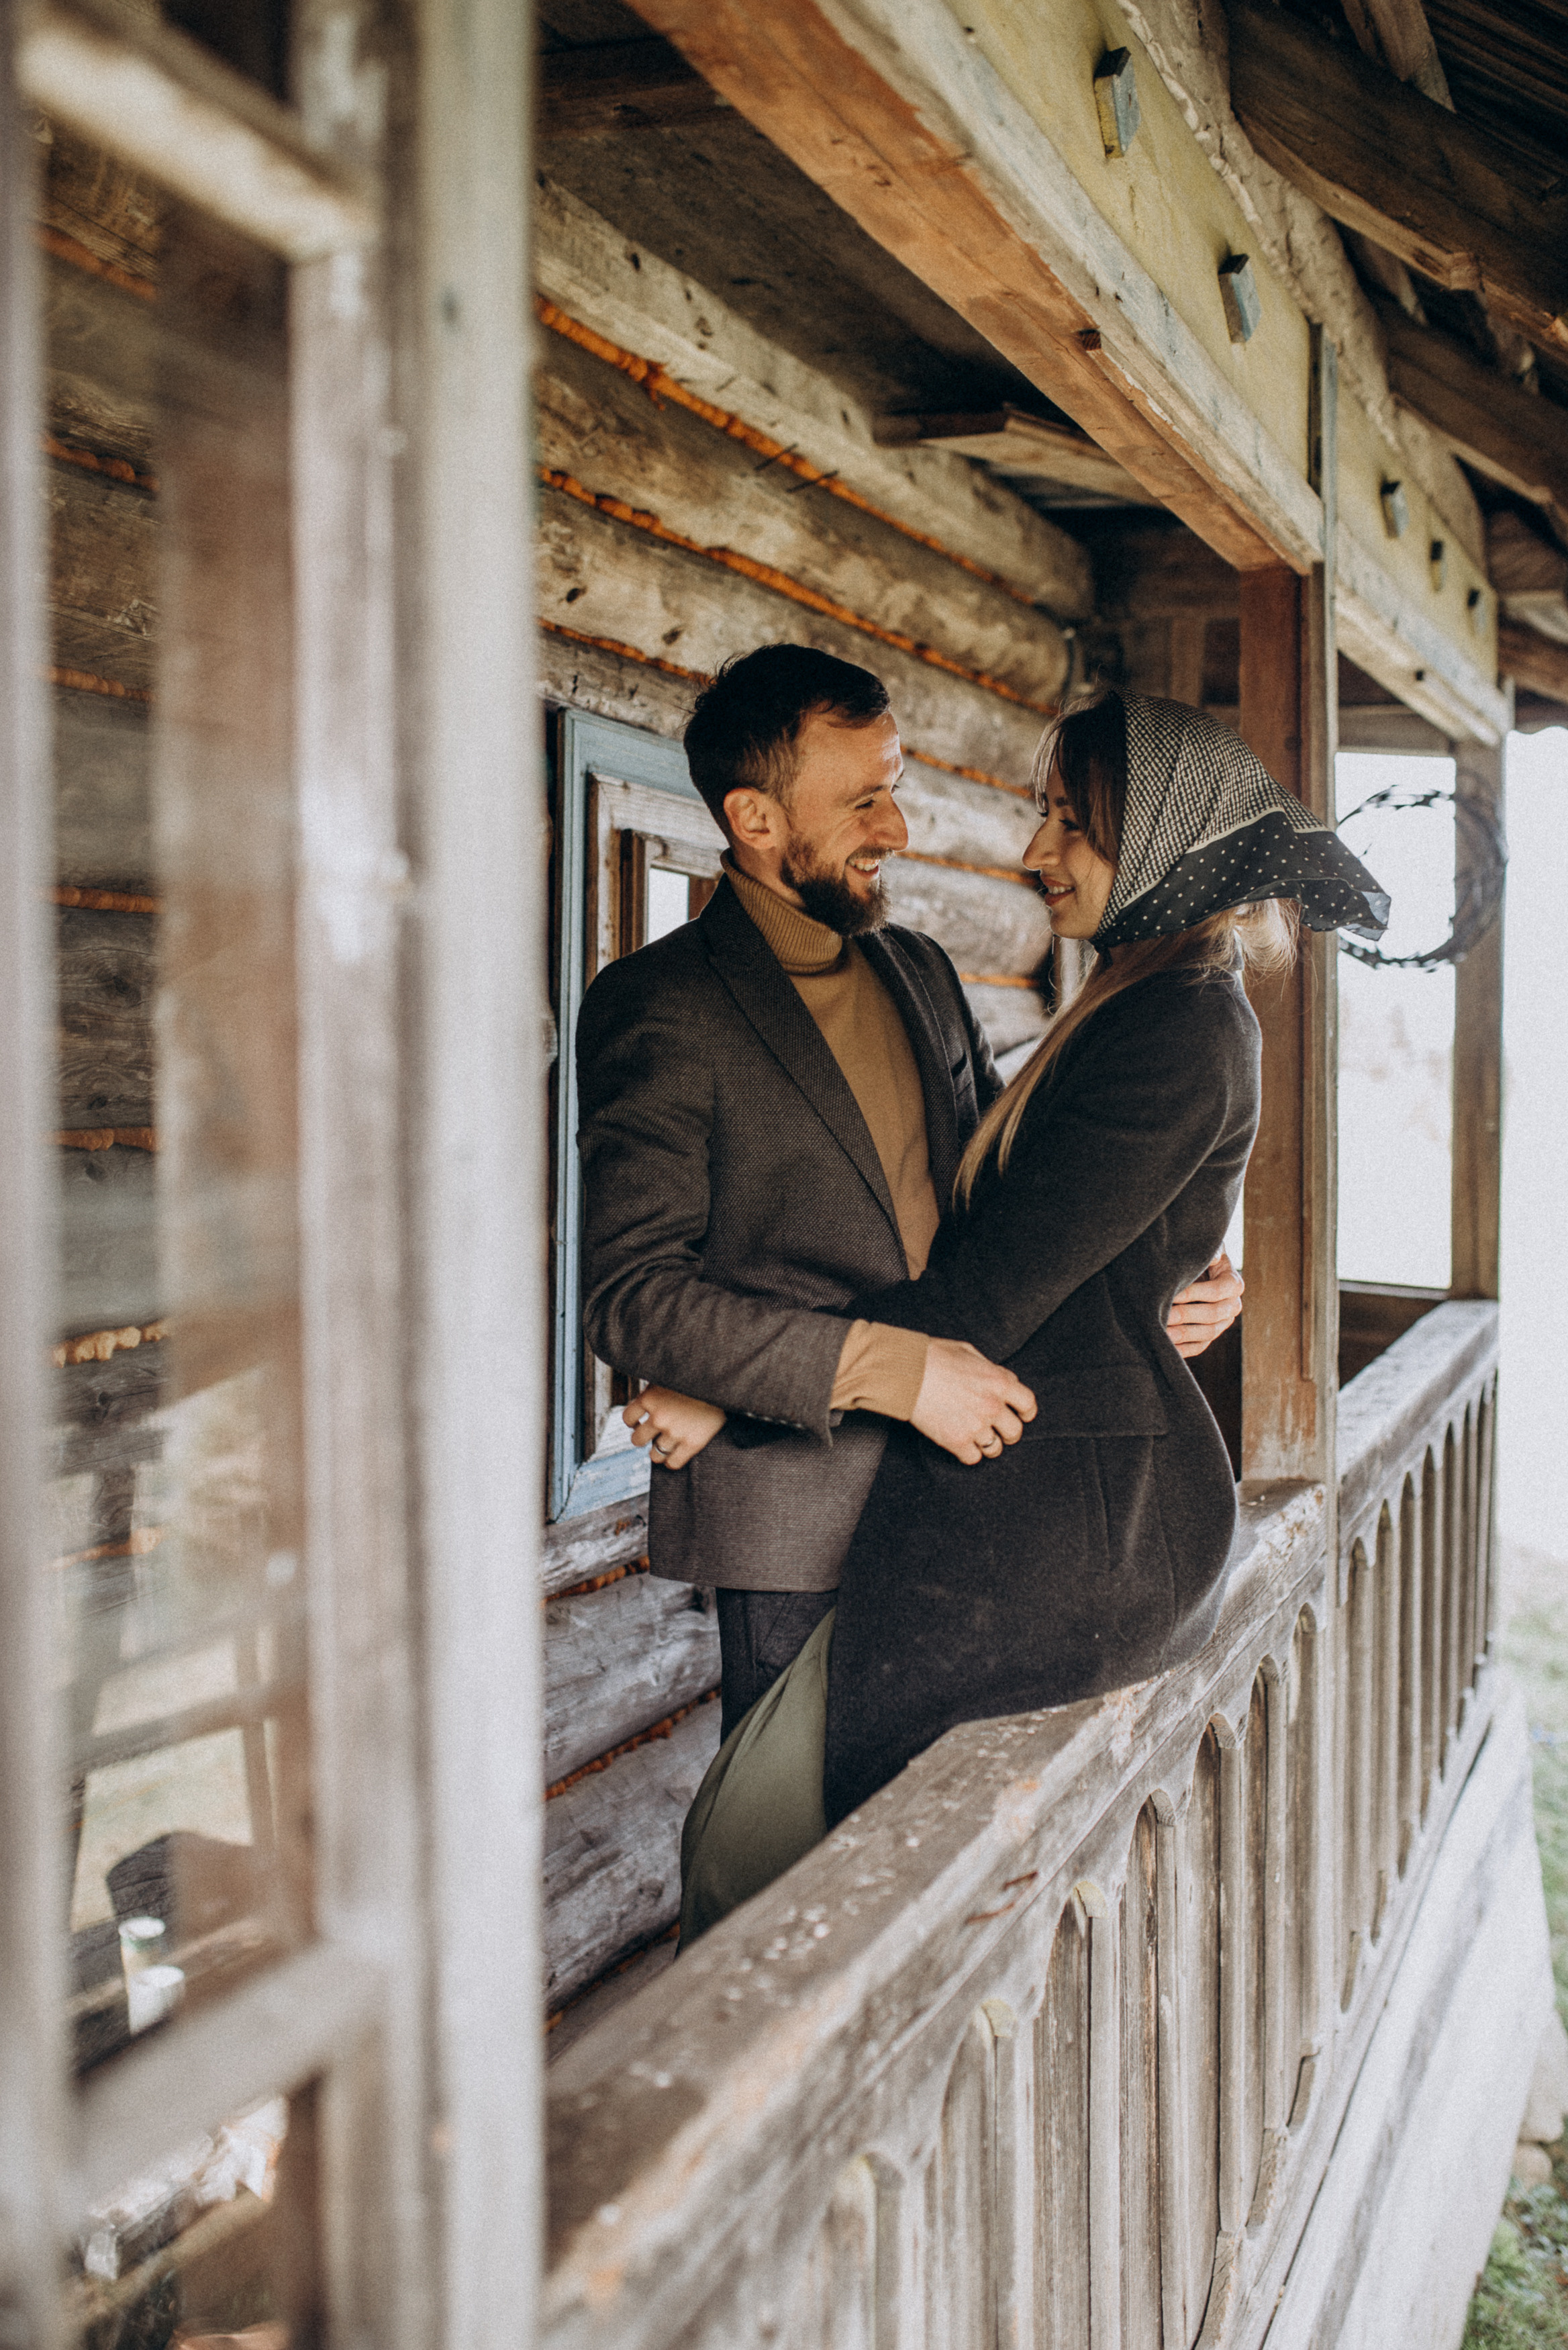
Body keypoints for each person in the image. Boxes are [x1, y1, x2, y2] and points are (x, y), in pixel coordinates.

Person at [675, 687, 1388, 1940]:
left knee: (761, 1865)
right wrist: (1163, 1280)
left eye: (1073, 821)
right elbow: (1051, 1229)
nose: (1034, 852)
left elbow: (988, 1290)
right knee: (783, 1866)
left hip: (1065, 1532)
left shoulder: (1179, 1025)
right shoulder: (1134, 1006)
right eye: (1045, 814)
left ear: (1159, 842)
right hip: (1032, 1511)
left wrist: (724, 1382)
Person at [575, 647, 1244, 1742]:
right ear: (754, 817)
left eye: (897, 788)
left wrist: (1179, 1252)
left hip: (977, 1502)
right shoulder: (661, 1006)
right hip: (799, 1520)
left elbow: (1015, 1203)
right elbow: (633, 1301)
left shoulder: (920, 970)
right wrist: (885, 1370)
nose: (896, 829)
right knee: (814, 1866)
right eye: (865, 799)